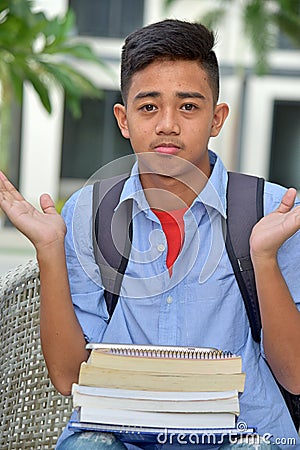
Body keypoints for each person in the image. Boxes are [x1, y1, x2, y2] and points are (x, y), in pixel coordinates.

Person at [0, 18, 300, 450]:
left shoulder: (271, 212)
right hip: (116, 434)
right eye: (149, 107)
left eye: (189, 107)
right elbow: (68, 377)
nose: (167, 125)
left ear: (217, 118)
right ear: (123, 119)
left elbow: (294, 375)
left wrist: (265, 257)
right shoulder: (89, 213)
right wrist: (49, 249)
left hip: (243, 433)